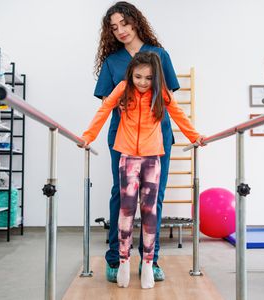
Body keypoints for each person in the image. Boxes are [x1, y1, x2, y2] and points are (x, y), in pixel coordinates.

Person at [81, 51, 204, 288]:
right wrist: (88, 136)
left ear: (155, 77)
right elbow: (104, 110)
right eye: (138, 77)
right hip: (127, 157)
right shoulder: (123, 88)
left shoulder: (161, 93)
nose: (143, 83)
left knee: (150, 213)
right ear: (131, 74)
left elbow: (179, 115)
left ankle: (147, 263)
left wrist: (195, 136)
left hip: (152, 158)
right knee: (126, 212)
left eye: (148, 78)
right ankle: (124, 261)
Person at [94, 1, 180, 282]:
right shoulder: (112, 61)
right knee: (120, 195)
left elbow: (169, 100)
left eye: (124, 23)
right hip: (123, 136)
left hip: (158, 136)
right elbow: (107, 102)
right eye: (114, 27)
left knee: (155, 198)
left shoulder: (159, 54)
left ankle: (151, 260)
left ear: (136, 21)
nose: (120, 30)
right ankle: (114, 258)